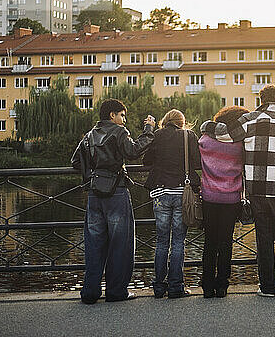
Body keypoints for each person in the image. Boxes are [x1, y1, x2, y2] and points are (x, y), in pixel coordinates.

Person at [201, 84, 275, 297]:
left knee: (264, 238)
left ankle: (267, 287)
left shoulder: (250, 119)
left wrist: (207, 125)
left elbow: (224, 134)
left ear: (261, 99)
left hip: (257, 191)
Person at [71, 99, 155, 304]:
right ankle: (116, 292)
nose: (124, 120)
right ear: (112, 115)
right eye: (122, 116)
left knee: (94, 244)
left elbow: (75, 162)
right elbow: (133, 151)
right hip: (116, 193)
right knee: (120, 244)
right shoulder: (119, 132)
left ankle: (90, 293)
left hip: (94, 194)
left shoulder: (89, 136)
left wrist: (94, 173)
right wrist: (149, 129)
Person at [143, 109, 201, 299]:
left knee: (161, 242)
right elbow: (197, 161)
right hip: (181, 193)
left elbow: (146, 161)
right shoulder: (188, 136)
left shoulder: (157, 135)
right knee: (178, 241)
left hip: (160, 192)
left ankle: (159, 287)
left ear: (165, 121)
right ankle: (176, 287)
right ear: (182, 122)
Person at [198, 105, 250, 298]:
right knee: (226, 242)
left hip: (209, 197)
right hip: (231, 198)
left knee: (210, 242)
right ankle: (222, 286)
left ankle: (207, 286)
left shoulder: (205, 140)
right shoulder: (239, 144)